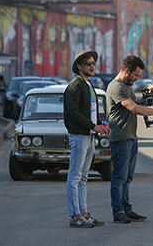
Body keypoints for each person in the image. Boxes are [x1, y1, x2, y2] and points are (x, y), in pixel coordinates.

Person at [106, 55, 153, 224]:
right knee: (119, 178)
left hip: (131, 138)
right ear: (127, 71)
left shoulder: (127, 86)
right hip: (120, 139)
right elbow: (134, 108)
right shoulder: (116, 87)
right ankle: (117, 211)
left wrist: (148, 95)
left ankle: (127, 209)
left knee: (127, 178)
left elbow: (135, 102)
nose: (137, 79)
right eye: (136, 75)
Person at [64, 50, 111, 228]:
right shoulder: (75, 86)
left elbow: (90, 113)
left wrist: (101, 125)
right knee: (75, 177)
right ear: (79, 66)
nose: (92, 66)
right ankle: (74, 216)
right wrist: (94, 126)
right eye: (88, 63)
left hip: (88, 136)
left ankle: (84, 213)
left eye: (93, 63)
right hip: (79, 136)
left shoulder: (88, 85)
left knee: (83, 177)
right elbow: (73, 113)